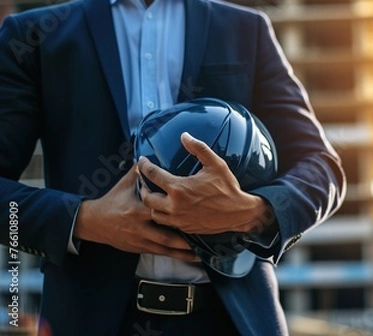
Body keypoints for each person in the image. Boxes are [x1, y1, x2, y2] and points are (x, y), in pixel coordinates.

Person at [0, 0, 346, 334]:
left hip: (232, 321)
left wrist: (252, 212)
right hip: (92, 320)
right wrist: (86, 220)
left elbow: (322, 168)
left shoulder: (247, 29)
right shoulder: (33, 34)